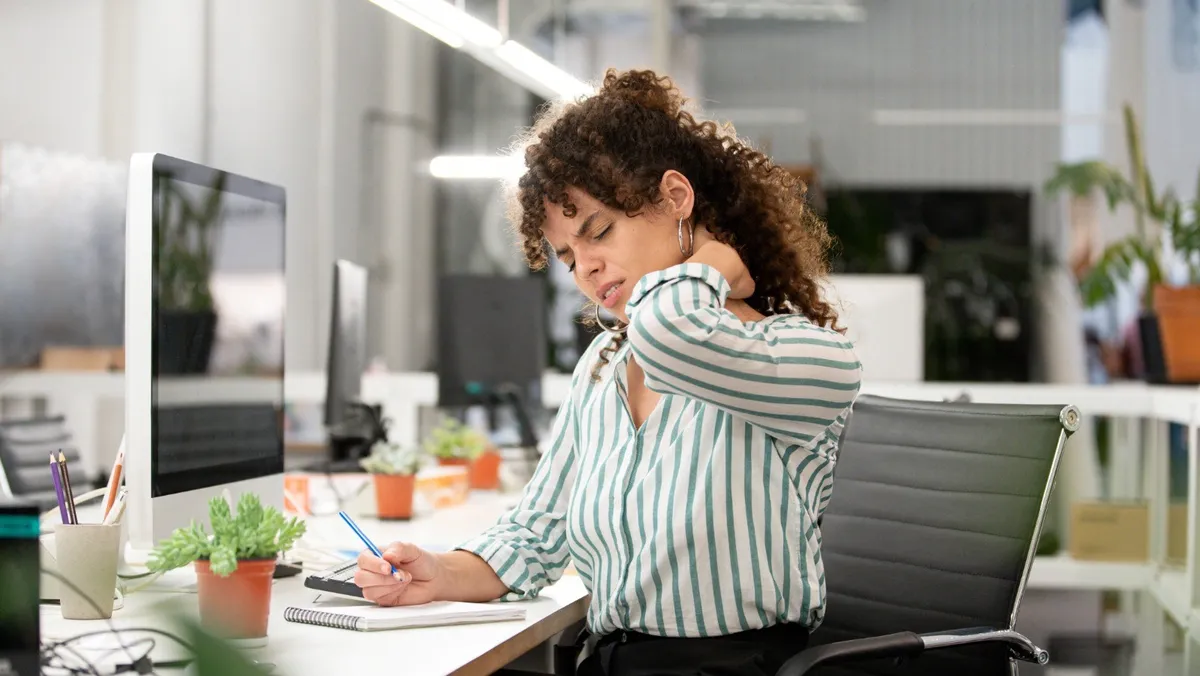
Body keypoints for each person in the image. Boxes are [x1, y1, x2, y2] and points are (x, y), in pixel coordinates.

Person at [354, 69, 863, 675]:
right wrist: (436, 573)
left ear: (676, 198)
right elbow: (533, 536)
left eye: (599, 231)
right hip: (610, 661)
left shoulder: (803, 356)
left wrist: (716, 260)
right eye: (568, 257)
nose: (587, 269)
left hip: (728, 666)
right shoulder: (603, 366)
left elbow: (672, 333)